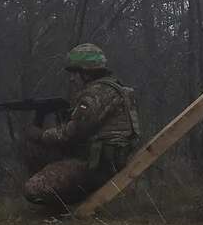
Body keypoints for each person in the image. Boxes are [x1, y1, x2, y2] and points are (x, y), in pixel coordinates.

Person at [22, 43, 140, 209]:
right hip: (107, 162)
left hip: (97, 169)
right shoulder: (114, 89)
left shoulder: (96, 93)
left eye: (74, 73)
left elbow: (72, 133)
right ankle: (60, 201)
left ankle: (64, 207)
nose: (71, 78)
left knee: (34, 188)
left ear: (87, 72)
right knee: (39, 147)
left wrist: (41, 134)